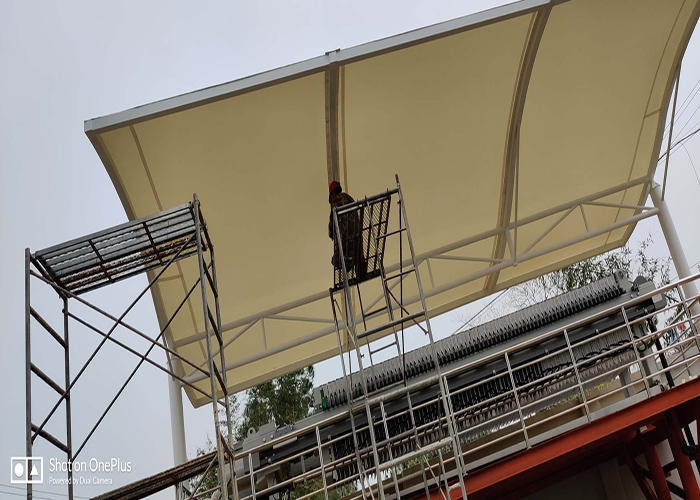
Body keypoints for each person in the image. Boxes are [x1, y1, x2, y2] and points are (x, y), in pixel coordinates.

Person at [328, 181, 366, 281]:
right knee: (359, 257)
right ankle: (359, 266)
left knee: (335, 260)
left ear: (332, 193)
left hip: (346, 242)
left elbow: (331, 232)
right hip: (358, 239)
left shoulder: (335, 203)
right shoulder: (350, 199)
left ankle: (349, 261)